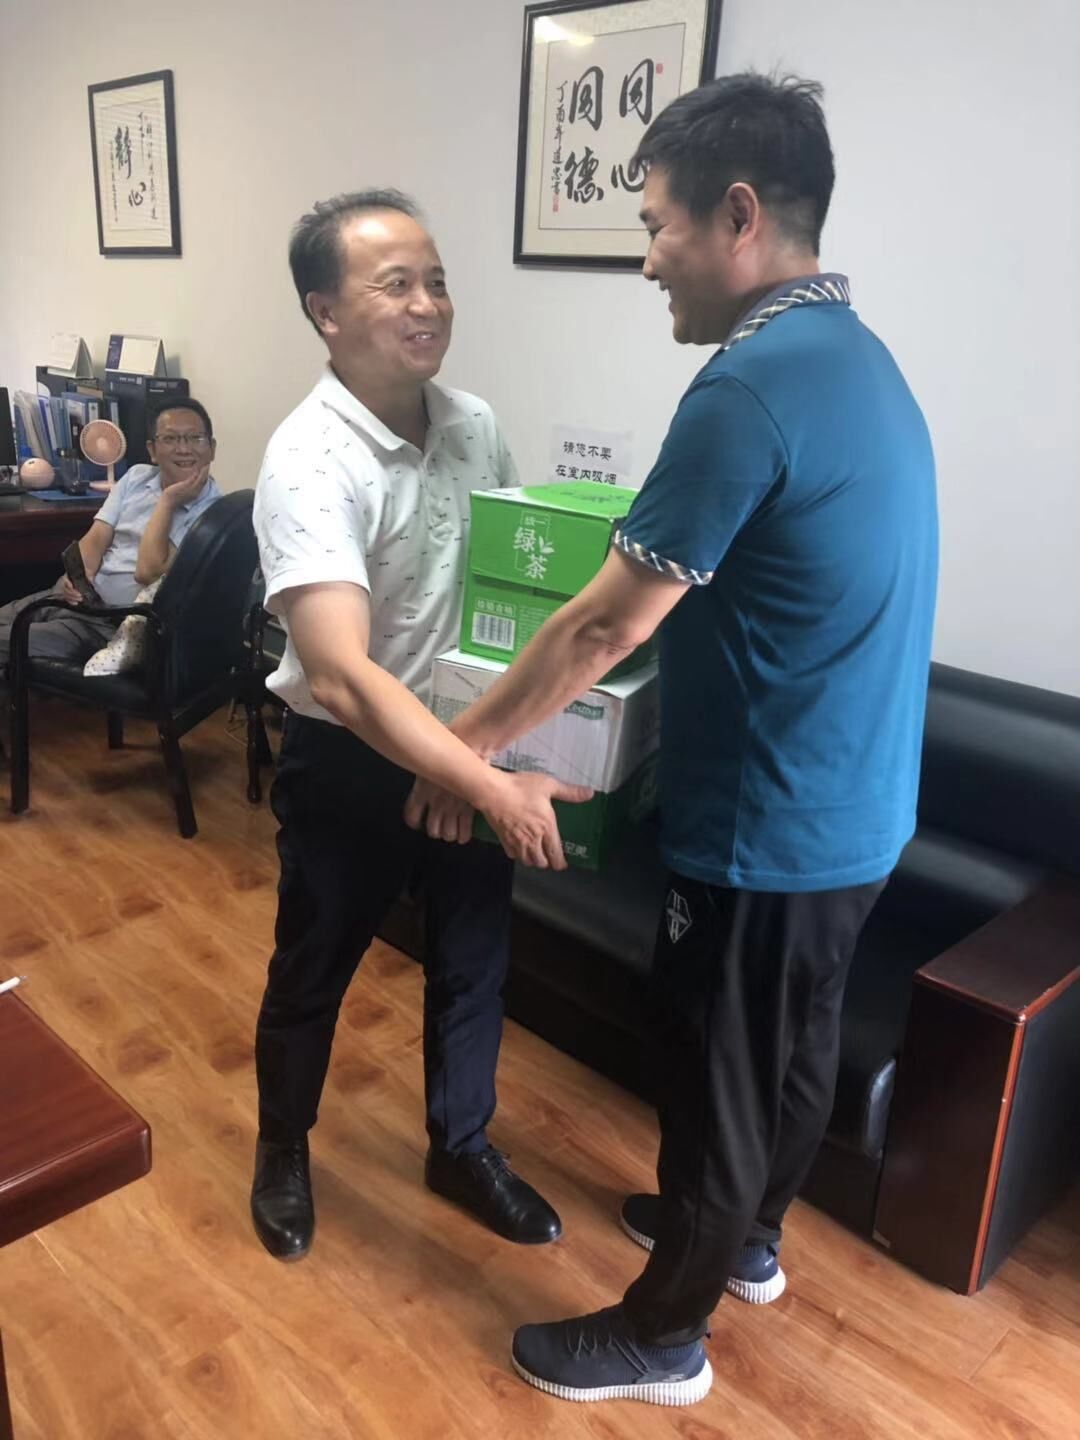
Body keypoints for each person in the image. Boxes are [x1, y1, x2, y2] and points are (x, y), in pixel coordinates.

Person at [406, 74, 939, 1406]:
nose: (646, 260)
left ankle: (664, 1334)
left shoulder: (748, 389)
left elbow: (602, 626)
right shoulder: (861, 362)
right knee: (793, 1049)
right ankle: (746, 1239)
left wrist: (460, 750)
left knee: (718, 1071)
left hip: (771, 824)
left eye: (655, 226)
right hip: (860, 812)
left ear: (738, 215)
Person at [250, 190, 587, 1263]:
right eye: (394, 284)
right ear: (325, 312)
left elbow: (514, 598)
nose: (428, 304)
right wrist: (485, 784)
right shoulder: (309, 458)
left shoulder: (475, 424)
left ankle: (462, 1145)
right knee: (315, 966)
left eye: (436, 281)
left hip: (468, 742)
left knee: (474, 963)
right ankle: (283, 1146)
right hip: (350, 762)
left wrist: (495, 755)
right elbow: (342, 677)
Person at [0, 398, 220, 681]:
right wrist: (77, 577)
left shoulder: (211, 513)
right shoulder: (136, 477)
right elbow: (96, 538)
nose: (184, 448)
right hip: (77, 599)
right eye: (170, 438)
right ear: (152, 450)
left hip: (110, 626)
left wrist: (167, 501)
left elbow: (147, 573)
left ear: (212, 448)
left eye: (195, 438)